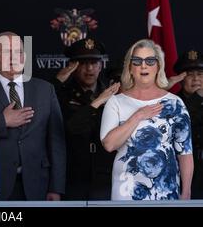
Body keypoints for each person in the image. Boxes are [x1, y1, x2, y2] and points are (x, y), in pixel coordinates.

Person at [100, 39, 193, 200]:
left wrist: (186, 191)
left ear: (158, 66)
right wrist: (138, 116)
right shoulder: (116, 102)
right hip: (126, 190)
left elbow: (185, 153)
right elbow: (109, 144)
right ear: (130, 67)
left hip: (166, 190)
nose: (144, 66)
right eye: (137, 61)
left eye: (150, 61)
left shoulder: (174, 103)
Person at [0, 32, 66, 200]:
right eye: (7, 52)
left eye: (19, 52)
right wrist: (3, 121)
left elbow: (56, 142)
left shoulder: (45, 89)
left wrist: (56, 187)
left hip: (38, 184)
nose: (14, 57)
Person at [52, 37, 119, 200]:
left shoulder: (114, 93)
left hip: (106, 176)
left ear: (101, 65)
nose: (89, 69)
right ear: (73, 67)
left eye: (94, 63)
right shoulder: (62, 94)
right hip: (73, 175)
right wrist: (57, 81)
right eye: (83, 63)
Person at [174, 49, 203, 199]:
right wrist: (197, 98)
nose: (196, 79)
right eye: (190, 75)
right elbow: (182, 122)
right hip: (181, 171)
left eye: (200, 74)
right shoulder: (172, 102)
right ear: (181, 78)